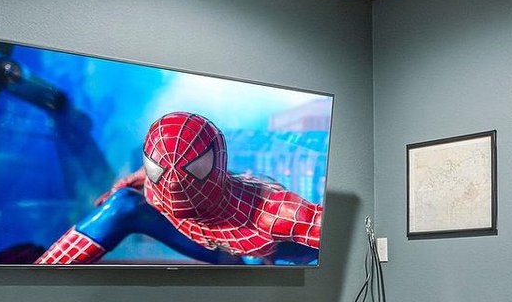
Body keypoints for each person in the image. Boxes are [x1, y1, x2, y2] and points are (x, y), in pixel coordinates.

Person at [37, 111, 322, 264]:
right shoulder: (154, 178)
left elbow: (331, 238)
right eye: (159, 170)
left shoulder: (276, 212)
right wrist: (126, 183)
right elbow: (159, 169)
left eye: (191, 171)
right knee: (123, 203)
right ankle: (38, 275)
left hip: (248, 258)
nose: (172, 183)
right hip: (211, 244)